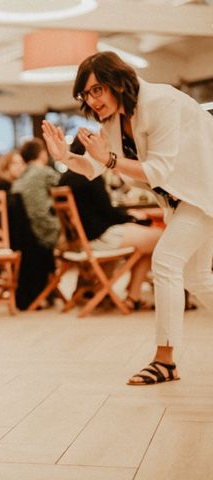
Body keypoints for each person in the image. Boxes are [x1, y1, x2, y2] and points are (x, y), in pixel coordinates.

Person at [42, 51, 213, 386]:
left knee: (165, 261)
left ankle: (165, 361)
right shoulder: (115, 120)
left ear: (118, 82)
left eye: (97, 90)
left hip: (203, 192)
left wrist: (107, 159)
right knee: (197, 279)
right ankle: (166, 361)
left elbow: (156, 171)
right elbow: (95, 167)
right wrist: (66, 157)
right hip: (181, 200)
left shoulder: (162, 102)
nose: (92, 100)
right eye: (86, 94)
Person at [59, 136, 163, 310]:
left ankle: (133, 295)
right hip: (100, 238)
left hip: (80, 240)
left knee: (144, 244)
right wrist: (133, 217)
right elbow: (108, 213)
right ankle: (133, 295)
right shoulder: (89, 175)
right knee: (159, 238)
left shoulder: (66, 177)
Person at [11, 138, 60, 250]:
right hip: (47, 230)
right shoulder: (44, 172)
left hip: (26, 234)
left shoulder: (19, 179)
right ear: (42, 154)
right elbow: (65, 186)